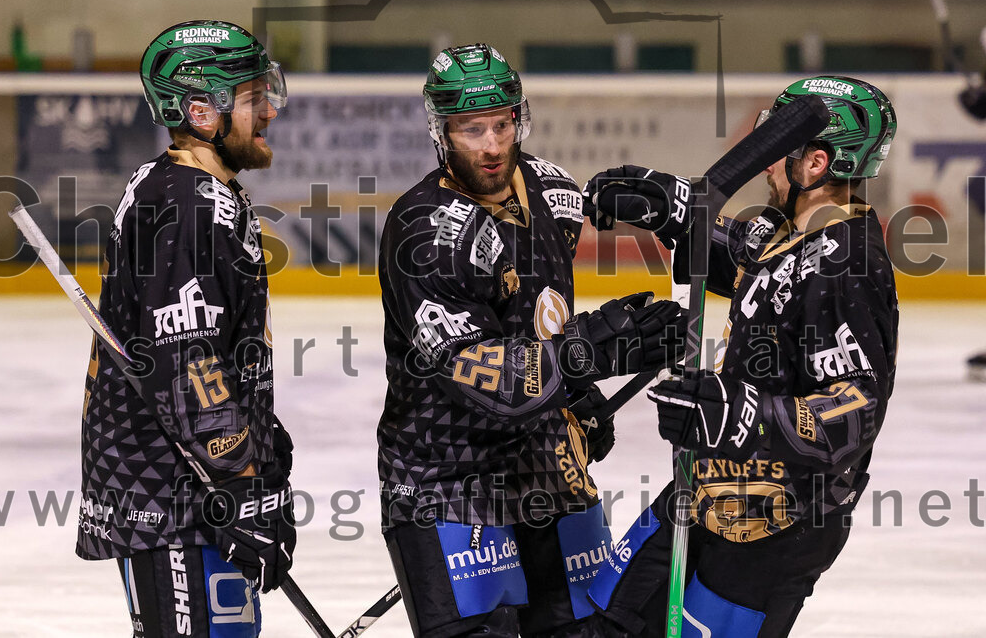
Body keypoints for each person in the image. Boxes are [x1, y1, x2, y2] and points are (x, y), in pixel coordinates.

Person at [376, 42, 685, 638]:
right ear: (442, 132)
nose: (492, 146)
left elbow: (539, 320)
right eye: (472, 129)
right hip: (448, 483)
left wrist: (572, 398)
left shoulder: (554, 194)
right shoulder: (423, 230)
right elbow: (482, 374)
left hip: (549, 471)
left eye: (502, 124)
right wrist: (591, 352)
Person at [581, 76, 899, 637]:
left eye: (778, 154)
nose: (767, 166)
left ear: (816, 163)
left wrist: (743, 414)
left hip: (776, 528)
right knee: (604, 622)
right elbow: (759, 268)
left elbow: (855, 412)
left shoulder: (848, 263)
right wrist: (674, 209)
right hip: (706, 488)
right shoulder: (794, 231)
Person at [77, 20, 296, 638]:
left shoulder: (186, 188)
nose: (271, 111)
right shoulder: (189, 206)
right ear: (203, 111)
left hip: (189, 486)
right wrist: (240, 483)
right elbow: (188, 363)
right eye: (255, 99)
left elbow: (219, 356)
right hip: (171, 493)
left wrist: (265, 464)